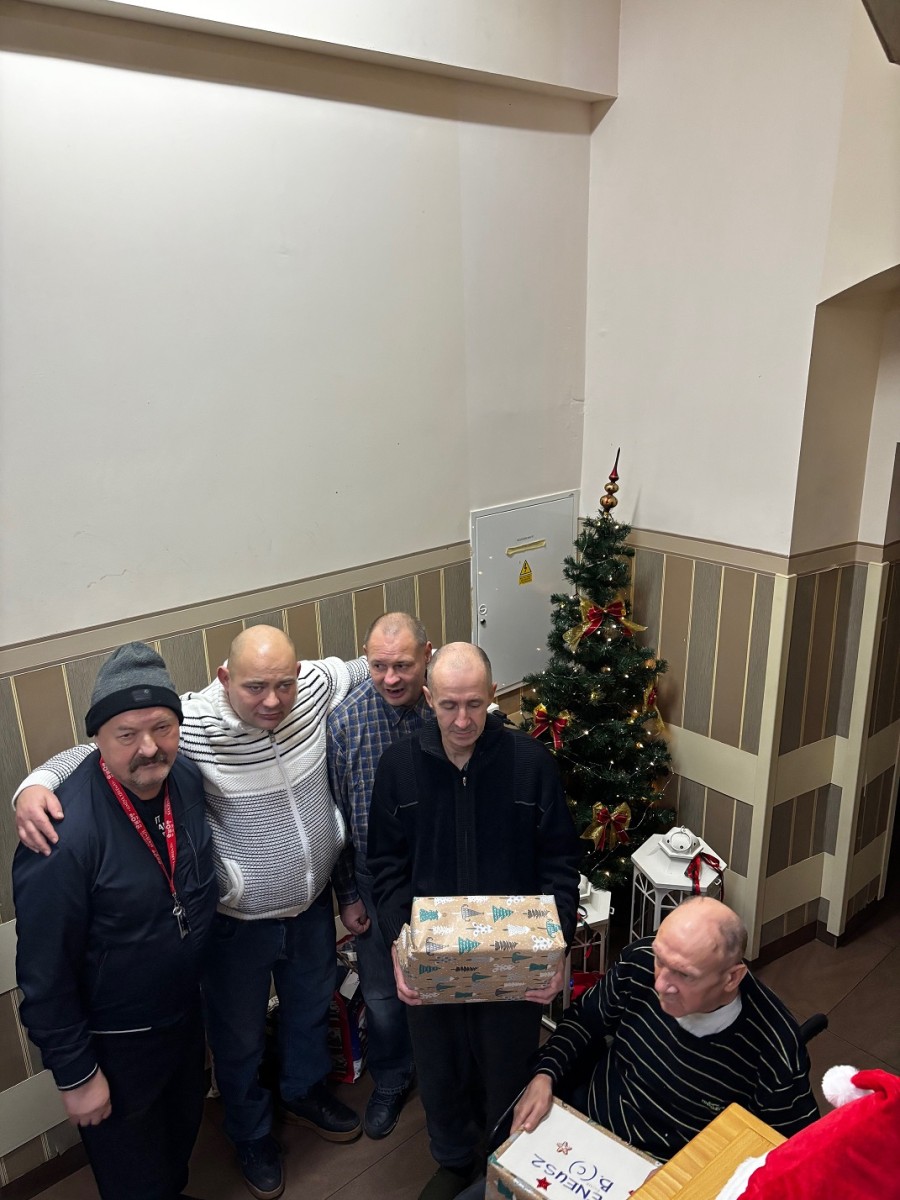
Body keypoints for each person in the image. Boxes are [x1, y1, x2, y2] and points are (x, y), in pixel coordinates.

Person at [13, 626, 369, 1200]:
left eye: (284, 684)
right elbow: (99, 748)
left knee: (301, 1018)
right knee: (235, 1042)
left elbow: (376, 663)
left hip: (294, 918)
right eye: (255, 687)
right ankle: (251, 1134)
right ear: (224, 680)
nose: (273, 700)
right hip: (222, 938)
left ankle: (302, 1093)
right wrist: (34, 784)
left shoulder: (293, 698)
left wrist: (430, 681)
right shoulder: (181, 733)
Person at [367, 642, 582, 1200]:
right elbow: (385, 867)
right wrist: (398, 945)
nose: (462, 720)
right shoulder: (398, 767)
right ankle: (453, 1161)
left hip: (514, 963)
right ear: (428, 699)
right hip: (431, 960)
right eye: (448, 705)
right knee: (439, 1069)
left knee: (507, 1066)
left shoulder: (531, 764)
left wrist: (557, 946)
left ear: (493, 695)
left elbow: (559, 863)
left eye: (474, 704)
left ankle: (502, 1162)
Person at [13, 643, 217, 1200]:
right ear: (97, 739)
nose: (149, 748)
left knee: (179, 1140)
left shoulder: (187, 779)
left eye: (163, 727)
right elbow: (44, 973)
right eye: (127, 734)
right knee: (133, 1175)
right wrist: (76, 1075)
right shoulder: (60, 834)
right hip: (116, 1042)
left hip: (183, 1015)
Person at [513, 896, 819, 1162]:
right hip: (592, 1124)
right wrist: (545, 1075)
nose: (660, 984)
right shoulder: (642, 961)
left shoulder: (774, 1045)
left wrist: (688, 1181)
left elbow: (787, 1150)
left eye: (684, 975)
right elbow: (584, 1019)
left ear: (731, 978)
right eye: (661, 959)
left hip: (678, 1171)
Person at [327, 612, 433, 1140]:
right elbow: (335, 820)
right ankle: (392, 1078)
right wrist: (348, 894)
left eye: (403, 666)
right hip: (373, 883)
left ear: (427, 656)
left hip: (440, 881)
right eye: (378, 666)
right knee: (384, 995)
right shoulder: (345, 724)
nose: (390, 678)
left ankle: (443, 1076)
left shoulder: (447, 709)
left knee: (447, 984)